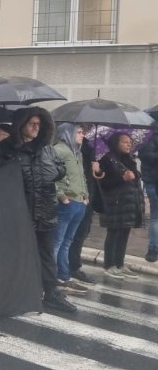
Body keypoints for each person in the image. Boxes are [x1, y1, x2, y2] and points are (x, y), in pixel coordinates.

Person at [0, 107, 73, 313]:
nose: (36, 128)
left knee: (47, 255)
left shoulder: (47, 149)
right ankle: (13, 293)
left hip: (45, 210)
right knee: (16, 256)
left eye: (39, 124)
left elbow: (60, 169)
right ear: (21, 125)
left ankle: (51, 293)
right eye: (32, 124)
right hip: (20, 212)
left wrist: (53, 171)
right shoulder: (6, 148)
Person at [98, 132, 145, 279]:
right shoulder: (107, 159)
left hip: (129, 204)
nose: (129, 144)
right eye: (125, 142)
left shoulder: (129, 159)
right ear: (116, 143)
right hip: (115, 203)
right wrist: (121, 178)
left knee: (124, 233)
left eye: (130, 141)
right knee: (114, 233)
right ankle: (109, 264)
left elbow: (134, 179)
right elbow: (103, 184)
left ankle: (119, 264)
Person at [52, 123, 90, 295]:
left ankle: (63, 275)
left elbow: (81, 177)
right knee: (57, 242)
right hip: (67, 203)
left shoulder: (77, 152)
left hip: (79, 202)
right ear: (68, 133)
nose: (82, 135)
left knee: (67, 242)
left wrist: (85, 196)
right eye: (79, 132)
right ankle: (50, 277)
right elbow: (52, 175)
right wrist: (62, 197)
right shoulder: (59, 150)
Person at [68, 136, 101, 284]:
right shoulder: (72, 149)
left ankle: (73, 266)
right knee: (73, 235)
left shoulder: (89, 146)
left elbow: (96, 175)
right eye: (79, 130)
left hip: (89, 195)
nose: (82, 133)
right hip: (77, 197)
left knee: (82, 233)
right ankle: (71, 267)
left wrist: (97, 169)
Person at [137, 124, 158, 263]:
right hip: (153, 181)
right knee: (155, 216)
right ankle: (153, 249)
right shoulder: (150, 134)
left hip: (151, 179)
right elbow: (144, 155)